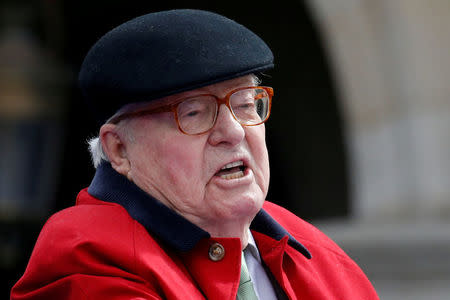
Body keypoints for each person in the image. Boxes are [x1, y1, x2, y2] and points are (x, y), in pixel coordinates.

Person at [11, 9, 379, 300]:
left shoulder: (315, 249)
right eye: (193, 113)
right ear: (119, 149)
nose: (233, 131)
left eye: (247, 105)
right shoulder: (84, 257)